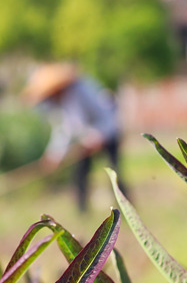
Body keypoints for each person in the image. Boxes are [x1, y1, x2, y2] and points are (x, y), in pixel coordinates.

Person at [23, 63, 124, 212]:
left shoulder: (81, 90)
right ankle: (82, 211)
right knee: (80, 175)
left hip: (108, 134)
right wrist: (53, 155)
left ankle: (125, 208)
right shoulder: (59, 103)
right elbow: (63, 130)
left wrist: (97, 138)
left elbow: (106, 115)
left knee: (115, 173)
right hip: (86, 141)